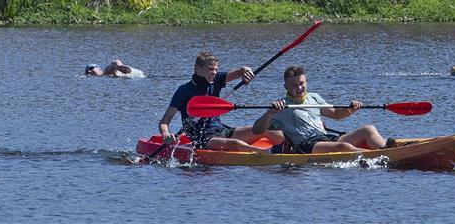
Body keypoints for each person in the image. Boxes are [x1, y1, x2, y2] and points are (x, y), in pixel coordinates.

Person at [158, 51, 284, 151]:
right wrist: (165, 135)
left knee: (264, 131)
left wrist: (247, 72)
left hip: (221, 130)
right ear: (197, 68)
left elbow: (241, 71)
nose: (214, 72)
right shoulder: (183, 91)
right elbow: (164, 121)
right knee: (236, 144)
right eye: (210, 69)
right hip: (203, 139)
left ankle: (291, 146)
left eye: (216, 69)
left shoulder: (216, 80)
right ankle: (265, 155)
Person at [252, 66, 393, 154]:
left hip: (325, 138)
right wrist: (270, 113)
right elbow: (256, 130)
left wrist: (351, 110)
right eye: (294, 85)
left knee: (368, 129)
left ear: (306, 81)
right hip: (306, 145)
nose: (299, 88)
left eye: (301, 83)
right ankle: (382, 157)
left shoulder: (314, 98)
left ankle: (388, 150)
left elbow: (337, 115)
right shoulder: (281, 107)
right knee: (343, 146)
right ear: (286, 87)